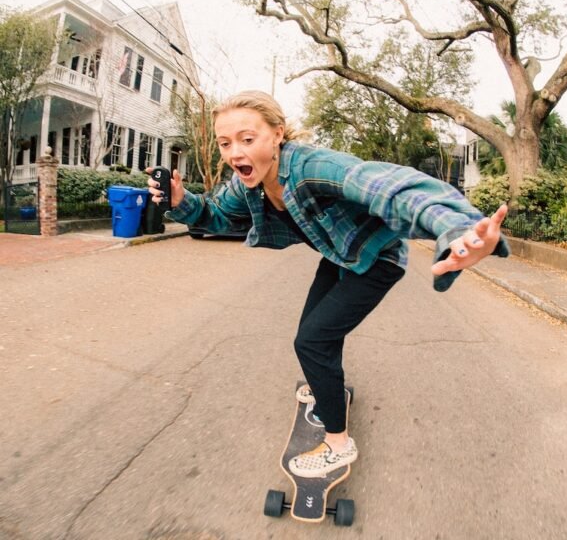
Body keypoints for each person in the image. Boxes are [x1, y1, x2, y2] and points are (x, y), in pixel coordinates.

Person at [147, 90, 509, 479]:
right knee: (313, 333)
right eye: (225, 143)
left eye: (248, 139)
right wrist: (182, 200)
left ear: (277, 135)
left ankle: (338, 444)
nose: (236, 153)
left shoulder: (313, 167)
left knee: (312, 341)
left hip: (376, 261)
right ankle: (326, 387)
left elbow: (388, 187)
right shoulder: (247, 184)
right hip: (338, 255)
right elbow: (215, 215)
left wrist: (453, 227)